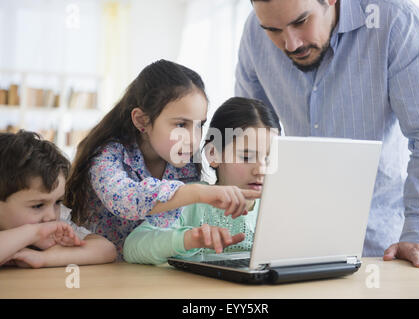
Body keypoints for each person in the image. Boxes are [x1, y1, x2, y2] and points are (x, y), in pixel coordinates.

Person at [235, 0, 419, 269]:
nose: (291, 44)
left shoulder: (395, 21)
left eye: (300, 22)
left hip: (383, 250)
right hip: (289, 246)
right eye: (273, 30)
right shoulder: (254, 33)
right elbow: (247, 136)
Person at [65, 60, 261, 260]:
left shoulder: (184, 166)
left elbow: (165, 228)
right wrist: (198, 192)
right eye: (181, 124)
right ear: (142, 121)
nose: (193, 140)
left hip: (146, 269)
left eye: (199, 125)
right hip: (98, 267)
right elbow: (125, 201)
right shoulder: (108, 156)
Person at [123, 97, 280, 265]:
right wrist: (188, 239)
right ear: (213, 153)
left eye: (269, 159)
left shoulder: (278, 208)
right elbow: (132, 247)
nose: (261, 169)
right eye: (247, 156)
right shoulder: (193, 201)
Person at [0, 130, 117, 268]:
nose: (51, 216)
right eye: (37, 206)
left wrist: (44, 258)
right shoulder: (40, 229)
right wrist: (34, 233)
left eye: (57, 202)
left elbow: (106, 249)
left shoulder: (56, 224)